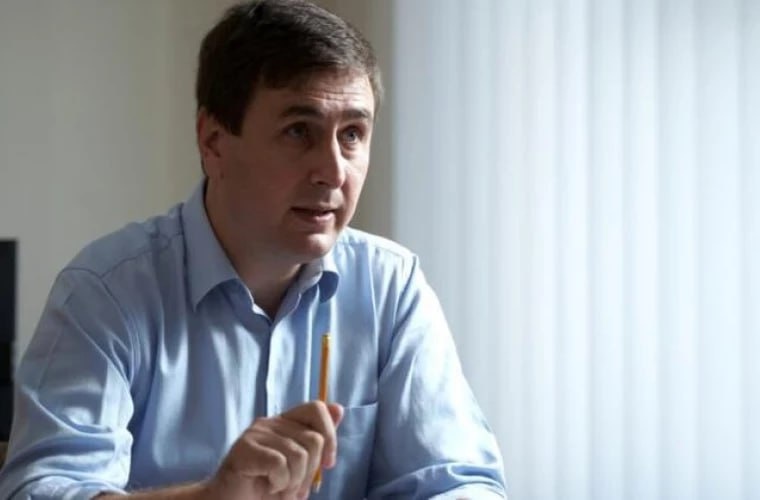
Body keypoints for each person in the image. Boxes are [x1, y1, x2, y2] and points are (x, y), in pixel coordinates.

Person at [0, 1, 507, 498]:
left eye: (352, 134)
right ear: (213, 142)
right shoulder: (106, 292)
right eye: (298, 132)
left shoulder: (391, 288)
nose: (333, 172)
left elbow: (459, 482)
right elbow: (45, 490)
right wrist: (212, 498)